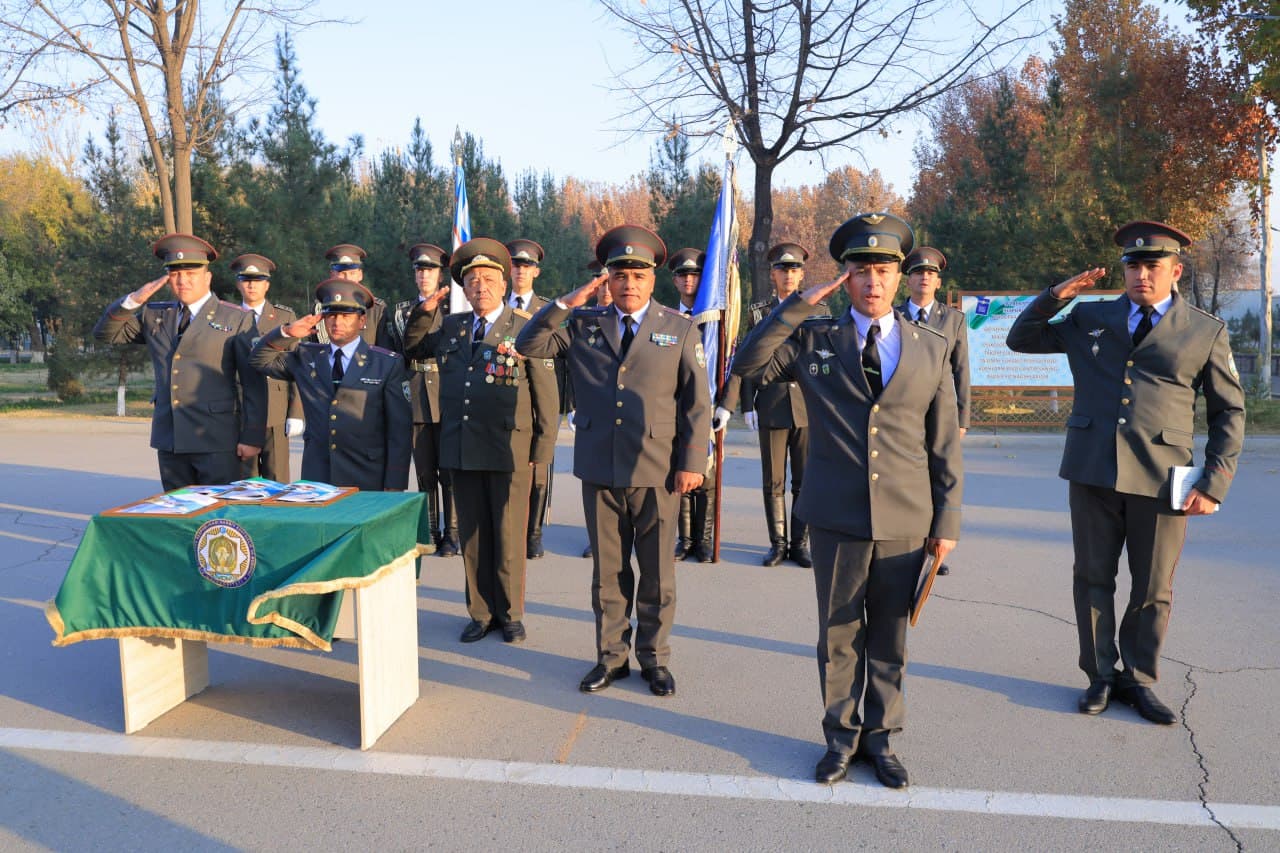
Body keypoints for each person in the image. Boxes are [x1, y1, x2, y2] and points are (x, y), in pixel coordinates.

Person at [732, 213, 963, 789]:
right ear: (845, 279)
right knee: (838, 634)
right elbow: (747, 366)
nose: (874, 282)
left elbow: (943, 444)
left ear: (899, 276)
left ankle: (881, 740)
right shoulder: (813, 339)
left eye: (884, 270)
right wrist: (795, 307)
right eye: (861, 271)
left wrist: (947, 519)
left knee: (889, 634)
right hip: (836, 512)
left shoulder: (931, 347)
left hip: (906, 516)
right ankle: (840, 738)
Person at [1006, 220, 1244, 725]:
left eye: (1152, 266)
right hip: (1092, 469)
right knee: (1092, 577)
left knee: (1152, 586)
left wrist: (1214, 482)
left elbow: (1229, 413)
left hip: (1162, 477)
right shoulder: (1091, 316)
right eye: (1133, 265)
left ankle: (1138, 678)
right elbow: (1020, 340)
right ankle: (1099, 675)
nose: (1141, 275)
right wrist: (1054, 296)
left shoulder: (1205, 331)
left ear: (1175, 271)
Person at [516, 225, 711, 697]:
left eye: (638, 274)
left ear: (652, 280)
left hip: (657, 469)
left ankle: (654, 659)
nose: (629, 283)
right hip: (600, 467)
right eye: (620, 274)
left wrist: (692, 462)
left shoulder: (679, 328)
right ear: (607, 279)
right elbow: (527, 344)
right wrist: (567, 302)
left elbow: (697, 404)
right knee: (608, 573)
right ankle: (611, 657)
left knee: (657, 574)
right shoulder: (582, 324)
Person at [403, 238, 558, 643]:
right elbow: (415, 349)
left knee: (508, 534)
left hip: (511, 450)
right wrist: (424, 312)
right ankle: (480, 612)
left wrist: (541, 451)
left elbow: (545, 393)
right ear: (464, 289)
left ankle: (511, 613)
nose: (480, 287)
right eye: (472, 281)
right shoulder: (451, 327)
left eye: (489, 279)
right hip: (463, 446)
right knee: (472, 534)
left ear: (504, 285)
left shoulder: (525, 328)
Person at [94, 234, 266, 490]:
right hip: (171, 437)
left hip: (216, 439)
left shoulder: (235, 318)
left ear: (207, 277)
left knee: (217, 520)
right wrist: (133, 302)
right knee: (177, 516)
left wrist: (252, 436)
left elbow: (253, 383)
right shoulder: (156, 315)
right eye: (175, 274)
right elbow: (106, 333)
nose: (182, 281)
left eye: (190, 274)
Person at [715, 242, 827, 568]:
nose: (788, 275)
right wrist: (747, 404)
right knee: (773, 479)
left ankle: (800, 544)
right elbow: (749, 358)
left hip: (807, 405)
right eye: (782, 269)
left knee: (805, 479)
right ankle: (777, 544)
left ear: (802, 274)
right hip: (772, 400)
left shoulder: (817, 309)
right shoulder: (759, 312)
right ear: (773, 274)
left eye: (794, 270)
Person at [250, 277, 412, 492]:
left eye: (346, 316)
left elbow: (399, 433)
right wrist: (287, 333)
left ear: (362, 321)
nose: (337, 322)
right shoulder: (306, 356)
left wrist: (394, 488)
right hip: (318, 476)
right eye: (331, 315)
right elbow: (259, 360)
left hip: (366, 476)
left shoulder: (386, 363)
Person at [897, 247, 971, 576]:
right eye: (917, 273)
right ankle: (906, 540)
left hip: (939, 414)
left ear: (938, 282)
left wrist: (962, 418)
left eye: (930, 274)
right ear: (907, 280)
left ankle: (933, 544)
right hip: (905, 412)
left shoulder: (953, 320)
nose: (924, 277)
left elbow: (962, 372)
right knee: (907, 475)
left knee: (938, 476)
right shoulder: (895, 317)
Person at [386, 243, 460, 557]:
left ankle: (453, 532)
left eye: (429, 269)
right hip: (416, 394)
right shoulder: (401, 310)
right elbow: (393, 355)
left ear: (440, 273)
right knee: (425, 471)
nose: (423, 275)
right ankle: (430, 529)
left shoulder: (455, 309)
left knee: (451, 471)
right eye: (419, 270)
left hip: (447, 394)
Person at [506, 238, 561, 560]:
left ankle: (534, 532)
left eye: (527, 266)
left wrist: (568, 404)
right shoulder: (499, 305)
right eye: (516, 265)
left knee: (539, 467)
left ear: (536, 271)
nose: (521, 271)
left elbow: (563, 360)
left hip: (542, 393)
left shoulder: (548, 309)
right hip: (506, 393)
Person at [230, 253, 303, 482]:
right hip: (240, 410)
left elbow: (296, 365)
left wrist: (297, 413)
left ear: (267, 284)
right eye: (246, 279)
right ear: (238, 284)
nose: (252, 285)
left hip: (276, 408)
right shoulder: (228, 317)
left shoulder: (284, 316)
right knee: (245, 482)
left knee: (278, 479)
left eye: (258, 280)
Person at [669, 247, 717, 563]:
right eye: (683, 274)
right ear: (674, 280)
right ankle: (684, 539)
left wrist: (726, 402)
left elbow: (728, 362)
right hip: (673, 404)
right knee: (680, 467)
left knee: (707, 475)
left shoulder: (715, 320)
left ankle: (704, 540)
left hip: (707, 402)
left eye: (695, 274)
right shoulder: (665, 318)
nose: (689, 279)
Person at [313, 243, 392, 349]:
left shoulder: (376, 309)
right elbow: (318, 350)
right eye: (342, 273)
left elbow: (384, 352)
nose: (347, 278)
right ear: (332, 275)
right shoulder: (322, 307)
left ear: (360, 275)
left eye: (352, 273)